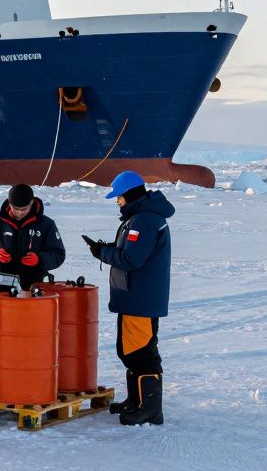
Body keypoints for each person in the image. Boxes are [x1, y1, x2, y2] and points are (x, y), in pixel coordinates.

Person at [82, 170, 174, 426]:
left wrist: (102, 253)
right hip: (135, 297)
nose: (117, 202)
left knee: (141, 353)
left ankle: (150, 410)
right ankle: (137, 401)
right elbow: (129, 251)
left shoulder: (143, 220)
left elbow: (132, 259)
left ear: (129, 195)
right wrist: (106, 248)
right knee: (130, 351)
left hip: (140, 299)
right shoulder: (141, 217)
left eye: (119, 197)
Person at [0, 183, 65, 290]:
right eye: (16, 208)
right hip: (3, 284)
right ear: (9, 203)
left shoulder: (46, 224)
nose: (20, 213)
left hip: (35, 285)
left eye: (24, 209)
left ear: (32, 203)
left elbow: (58, 254)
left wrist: (40, 259)